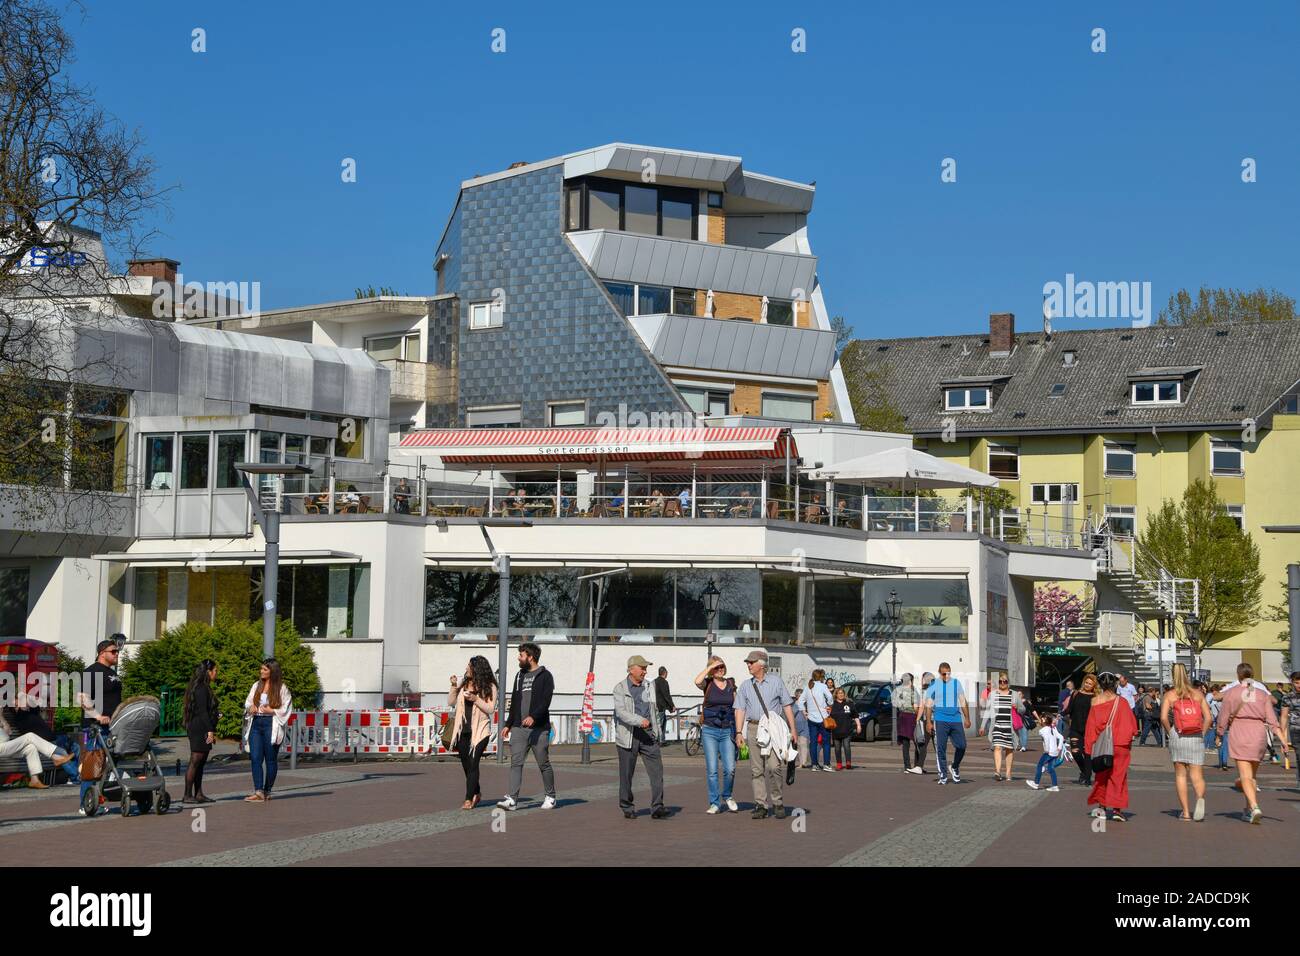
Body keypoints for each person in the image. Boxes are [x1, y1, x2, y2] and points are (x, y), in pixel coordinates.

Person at [1217, 662, 1288, 824]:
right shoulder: (1262, 694)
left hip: (1239, 730)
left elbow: (1223, 717)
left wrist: (1219, 734)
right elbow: (1272, 721)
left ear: (1238, 675)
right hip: (1258, 733)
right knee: (1252, 776)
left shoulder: (1232, 693)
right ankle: (1248, 809)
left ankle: (1255, 806)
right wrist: (1283, 741)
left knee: (1245, 775)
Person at [733, 649, 798, 819]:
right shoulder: (746, 685)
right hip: (754, 728)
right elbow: (739, 709)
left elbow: (787, 706)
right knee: (756, 770)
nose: (748, 665)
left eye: (751, 662)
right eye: (748, 662)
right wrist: (739, 732)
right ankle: (760, 804)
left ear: (761, 665)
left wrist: (793, 730)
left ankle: (777, 802)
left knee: (774, 767)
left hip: (772, 730)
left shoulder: (776, 682)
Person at [498, 642, 556, 811]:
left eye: (521, 655)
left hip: (539, 728)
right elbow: (515, 700)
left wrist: (534, 716)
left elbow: (546, 701)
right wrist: (508, 724)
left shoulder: (546, 676)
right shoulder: (519, 676)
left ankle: (550, 796)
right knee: (516, 763)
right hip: (518, 728)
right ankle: (513, 800)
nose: (519, 657)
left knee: (543, 763)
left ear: (530, 657)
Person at [613, 655, 667, 819]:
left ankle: (657, 807)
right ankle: (627, 806)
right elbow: (621, 713)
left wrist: (657, 732)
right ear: (631, 669)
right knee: (626, 775)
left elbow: (654, 710)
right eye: (642, 668)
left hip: (648, 735)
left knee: (657, 772)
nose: (645, 671)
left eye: (645, 668)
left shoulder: (649, 686)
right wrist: (639, 721)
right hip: (628, 735)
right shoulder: (620, 688)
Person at [1160, 663, 1212, 822]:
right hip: (1196, 736)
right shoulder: (1197, 694)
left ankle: (1186, 812)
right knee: (1197, 774)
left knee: (1181, 775)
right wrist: (1201, 733)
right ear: (1187, 674)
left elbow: (1163, 718)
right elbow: (1209, 718)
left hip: (1179, 735)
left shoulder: (1170, 694)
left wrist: (1171, 732)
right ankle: (1199, 798)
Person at [1085, 672, 1138, 822]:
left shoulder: (1094, 701)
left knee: (1102, 776)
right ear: (1115, 684)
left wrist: (1089, 748)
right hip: (1120, 744)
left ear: (1100, 685)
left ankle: (1102, 806)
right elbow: (1131, 725)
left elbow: (1091, 727)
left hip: (1102, 744)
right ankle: (1117, 809)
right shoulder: (1121, 702)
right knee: (1118, 776)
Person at [78, 638, 123, 811]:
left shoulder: (112, 672)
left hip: (113, 726)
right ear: (102, 653)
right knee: (93, 766)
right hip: (95, 728)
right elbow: (82, 698)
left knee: (109, 765)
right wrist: (98, 716)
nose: (117, 654)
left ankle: (100, 799)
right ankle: (85, 804)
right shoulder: (92, 671)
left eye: (118, 651)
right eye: (113, 651)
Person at [448, 655, 497, 810]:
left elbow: (490, 709)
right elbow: (451, 702)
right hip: (463, 731)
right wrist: (454, 686)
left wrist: (476, 698)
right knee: (466, 765)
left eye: (469, 666)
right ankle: (476, 792)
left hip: (481, 731)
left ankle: (468, 799)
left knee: (474, 763)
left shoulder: (490, 686)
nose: (466, 668)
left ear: (477, 669)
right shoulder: (463, 685)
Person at [242, 658, 292, 802]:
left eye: (265, 669)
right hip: (256, 723)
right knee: (256, 758)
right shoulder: (257, 685)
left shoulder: (282, 688)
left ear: (272, 671)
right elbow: (248, 701)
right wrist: (250, 707)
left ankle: (267, 790)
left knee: (270, 760)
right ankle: (258, 791)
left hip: (271, 723)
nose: (261, 671)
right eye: (261, 669)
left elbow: (286, 708)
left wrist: (273, 710)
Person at [695, 656, 738, 813]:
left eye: (722, 666)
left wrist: (739, 731)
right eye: (717, 667)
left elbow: (737, 706)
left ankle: (727, 795)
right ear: (712, 669)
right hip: (709, 730)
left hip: (727, 730)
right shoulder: (708, 684)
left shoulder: (731, 684)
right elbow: (696, 681)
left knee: (730, 768)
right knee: (712, 769)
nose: (721, 669)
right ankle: (714, 802)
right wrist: (709, 668)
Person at [0, 710, 74, 789]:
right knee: (30, 736)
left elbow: (9, 731)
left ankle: (34, 780)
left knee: (30, 748)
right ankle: (55, 757)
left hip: (5, 746)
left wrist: (2, 720)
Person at [925, 662, 970, 784]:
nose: (947, 676)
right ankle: (943, 775)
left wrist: (967, 718)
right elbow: (928, 705)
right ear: (940, 673)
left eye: (949, 673)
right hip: (940, 719)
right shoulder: (934, 685)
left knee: (962, 745)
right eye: (944, 674)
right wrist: (928, 722)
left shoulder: (956, 683)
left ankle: (954, 767)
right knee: (941, 748)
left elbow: (962, 701)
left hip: (955, 719)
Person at [181, 659, 219, 805]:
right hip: (199, 728)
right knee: (195, 761)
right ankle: (187, 794)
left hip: (201, 725)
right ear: (208, 672)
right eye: (215, 671)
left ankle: (198, 793)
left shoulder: (203, 687)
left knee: (201, 762)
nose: (216, 674)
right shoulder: (201, 688)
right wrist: (210, 730)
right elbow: (202, 711)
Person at [980, 672, 1023, 781]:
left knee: (1009, 749)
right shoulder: (993, 694)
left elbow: (1023, 709)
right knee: (997, 747)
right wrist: (982, 726)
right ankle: (998, 772)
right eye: (1000, 681)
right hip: (997, 726)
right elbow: (988, 710)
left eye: (1005, 681)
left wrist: (1017, 706)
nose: (1003, 683)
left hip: (1010, 727)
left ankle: (1008, 772)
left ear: (1008, 683)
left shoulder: (1014, 694)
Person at [799, 668, 834, 771]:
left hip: (811, 718)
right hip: (823, 718)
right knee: (826, 742)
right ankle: (826, 764)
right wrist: (829, 705)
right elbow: (830, 698)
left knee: (813, 742)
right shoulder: (823, 686)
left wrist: (804, 712)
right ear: (821, 677)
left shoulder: (807, 687)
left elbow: (800, 701)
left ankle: (814, 764)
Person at [1067, 673, 1097, 786]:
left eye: (1090, 683)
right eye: (1086, 682)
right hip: (1075, 727)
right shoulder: (1075, 694)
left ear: (1094, 686)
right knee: (1076, 753)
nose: (1087, 685)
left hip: (1089, 729)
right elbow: (1069, 709)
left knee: (1087, 754)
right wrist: (1059, 715)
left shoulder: (1095, 697)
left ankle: (1087, 777)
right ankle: (1085, 771)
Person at [1025, 714, 1064, 792]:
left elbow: (1046, 739)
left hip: (1048, 752)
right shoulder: (1052, 728)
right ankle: (1055, 786)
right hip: (1055, 752)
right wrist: (1059, 748)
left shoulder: (1043, 730)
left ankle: (1036, 783)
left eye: (1041, 719)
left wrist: (1047, 749)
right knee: (1051, 769)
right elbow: (1061, 737)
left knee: (1039, 766)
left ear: (1044, 721)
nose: (1040, 720)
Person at [894, 672, 921, 773]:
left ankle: (907, 766)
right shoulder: (913, 690)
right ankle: (918, 765)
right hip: (912, 717)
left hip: (902, 717)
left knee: (906, 744)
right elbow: (916, 706)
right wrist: (918, 715)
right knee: (918, 742)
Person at [829, 687, 860, 770]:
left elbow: (855, 715)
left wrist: (858, 725)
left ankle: (848, 763)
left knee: (847, 746)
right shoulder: (832, 705)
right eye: (839, 693)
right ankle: (839, 763)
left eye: (842, 693)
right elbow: (828, 716)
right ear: (836, 695)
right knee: (837, 748)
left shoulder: (849, 704)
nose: (841, 694)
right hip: (836, 730)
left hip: (847, 729)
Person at [1279, 671, 1300, 789]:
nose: (1299, 685)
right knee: (1299, 756)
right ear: (1292, 683)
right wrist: (1283, 737)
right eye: (1296, 682)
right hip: (1296, 730)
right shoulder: (1287, 697)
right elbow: (1283, 717)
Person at [913, 672, 935, 774]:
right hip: (935, 720)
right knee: (936, 745)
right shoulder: (935, 689)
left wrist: (917, 720)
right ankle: (918, 766)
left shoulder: (927, 691)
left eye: (922, 678)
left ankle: (919, 766)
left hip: (929, 720)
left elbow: (922, 706)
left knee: (922, 743)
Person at [654, 666, 675, 743]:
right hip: (660, 707)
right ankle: (659, 741)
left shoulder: (654, 681)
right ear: (665, 673)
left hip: (654, 706)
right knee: (660, 724)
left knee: (661, 722)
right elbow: (666, 695)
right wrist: (672, 706)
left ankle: (661, 740)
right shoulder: (664, 682)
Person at [792, 689, 810, 769]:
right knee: (798, 746)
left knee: (804, 744)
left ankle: (804, 763)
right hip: (796, 727)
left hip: (805, 727)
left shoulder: (807, 705)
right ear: (796, 696)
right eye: (799, 696)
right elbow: (791, 715)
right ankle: (800, 763)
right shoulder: (793, 705)